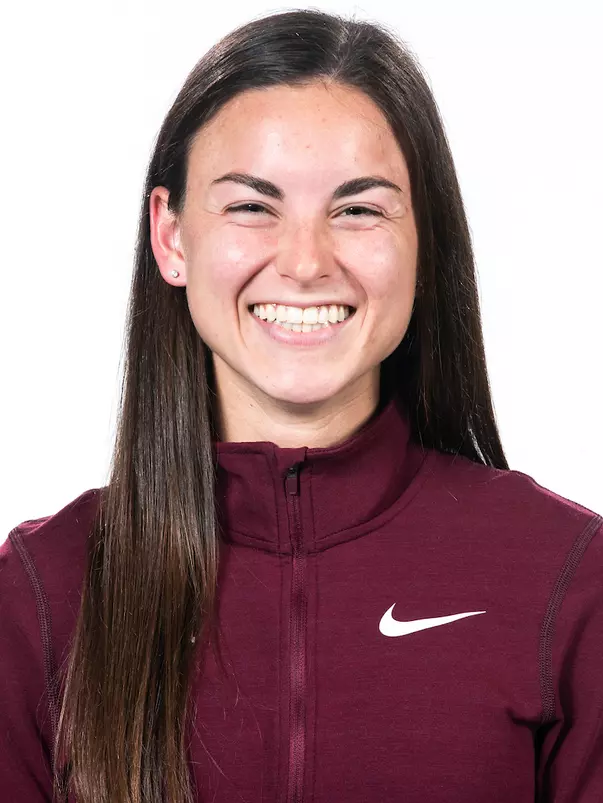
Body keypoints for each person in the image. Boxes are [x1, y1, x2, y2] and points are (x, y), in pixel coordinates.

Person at [1, 7, 601, 803]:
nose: (306, 261)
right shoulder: (40, 594)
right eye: (251, 206)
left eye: (358, 209)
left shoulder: (567, 576)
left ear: (423, 241)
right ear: (172, 238)